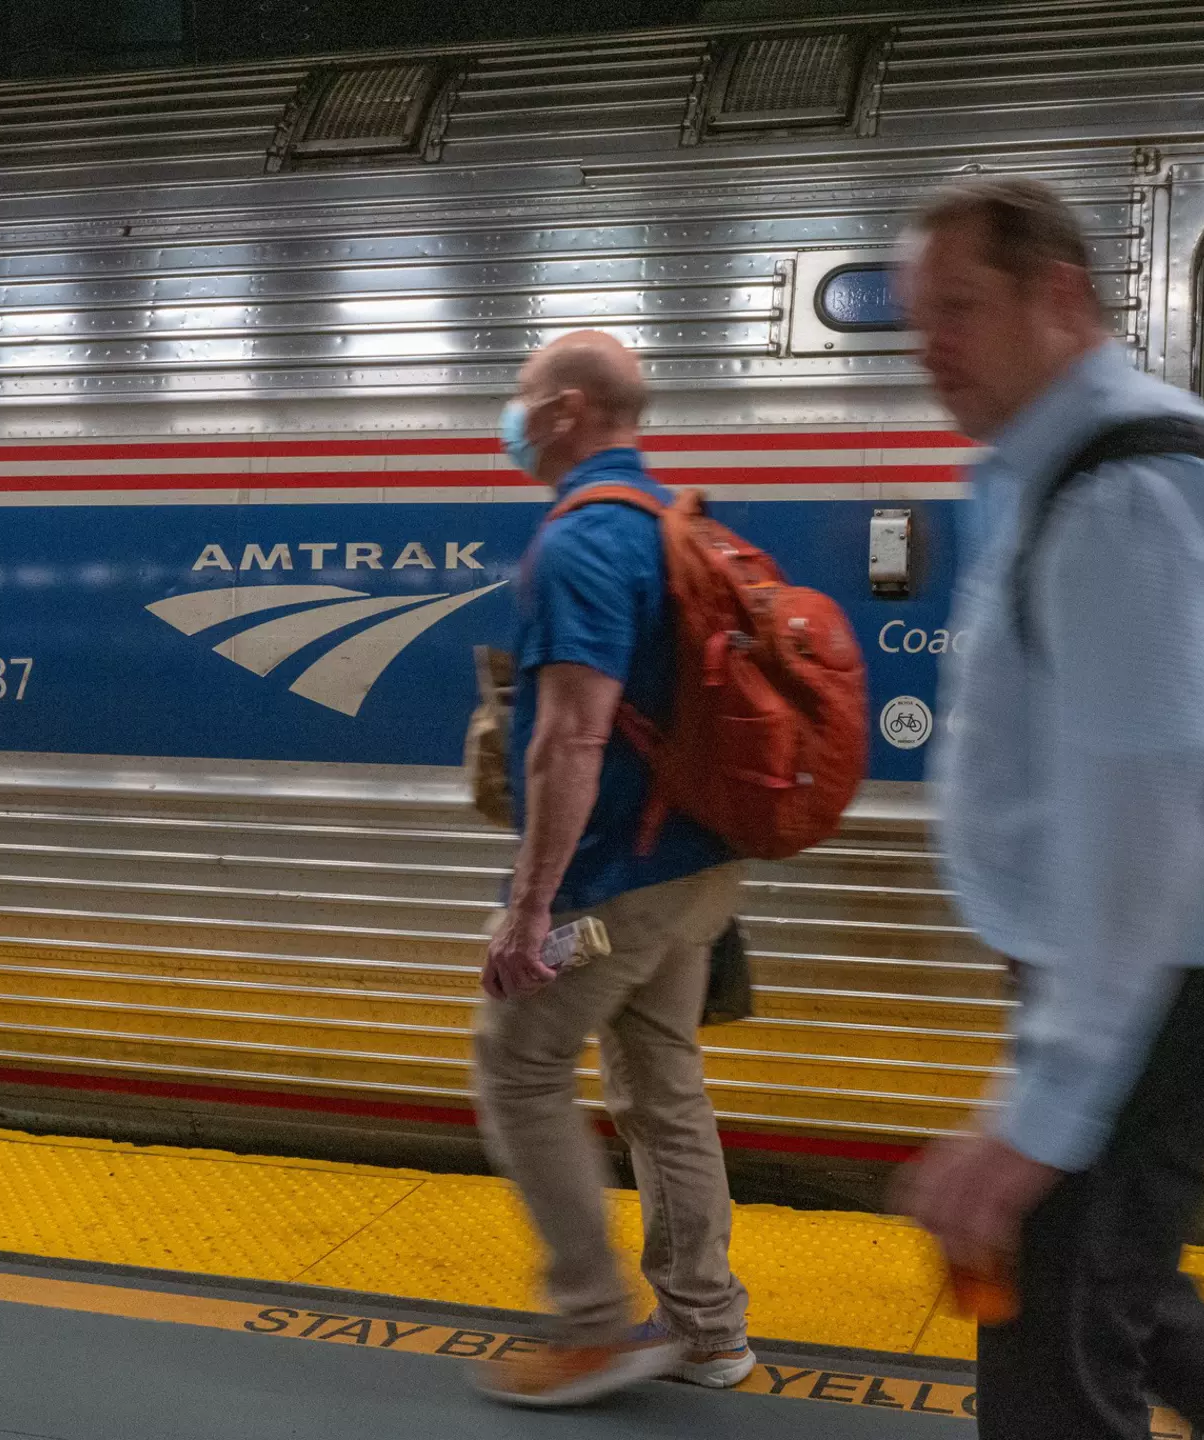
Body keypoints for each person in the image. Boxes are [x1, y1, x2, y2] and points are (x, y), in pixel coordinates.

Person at [895, 178, 1204, 1440]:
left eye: (962, 310)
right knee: (1125, 1295)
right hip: (1156, 971)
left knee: (1055, 1380)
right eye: (921, 318)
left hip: (1170, 973)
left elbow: (1142, 827)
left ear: (1061, 296)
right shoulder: (1064, 470)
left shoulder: (1123, 495)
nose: (935, 348)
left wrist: (1040, 1120)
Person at [470, 330, 754, 1408]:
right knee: (660, 1081)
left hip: (616, 888)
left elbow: (569, 740)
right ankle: (705, 1329)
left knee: (518, 1059)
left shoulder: (582, 540)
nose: (513, 415)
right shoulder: (668, 521)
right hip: (697, 876)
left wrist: (528, 908)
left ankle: (593, 1326)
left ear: (569, 411)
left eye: (524, 395)